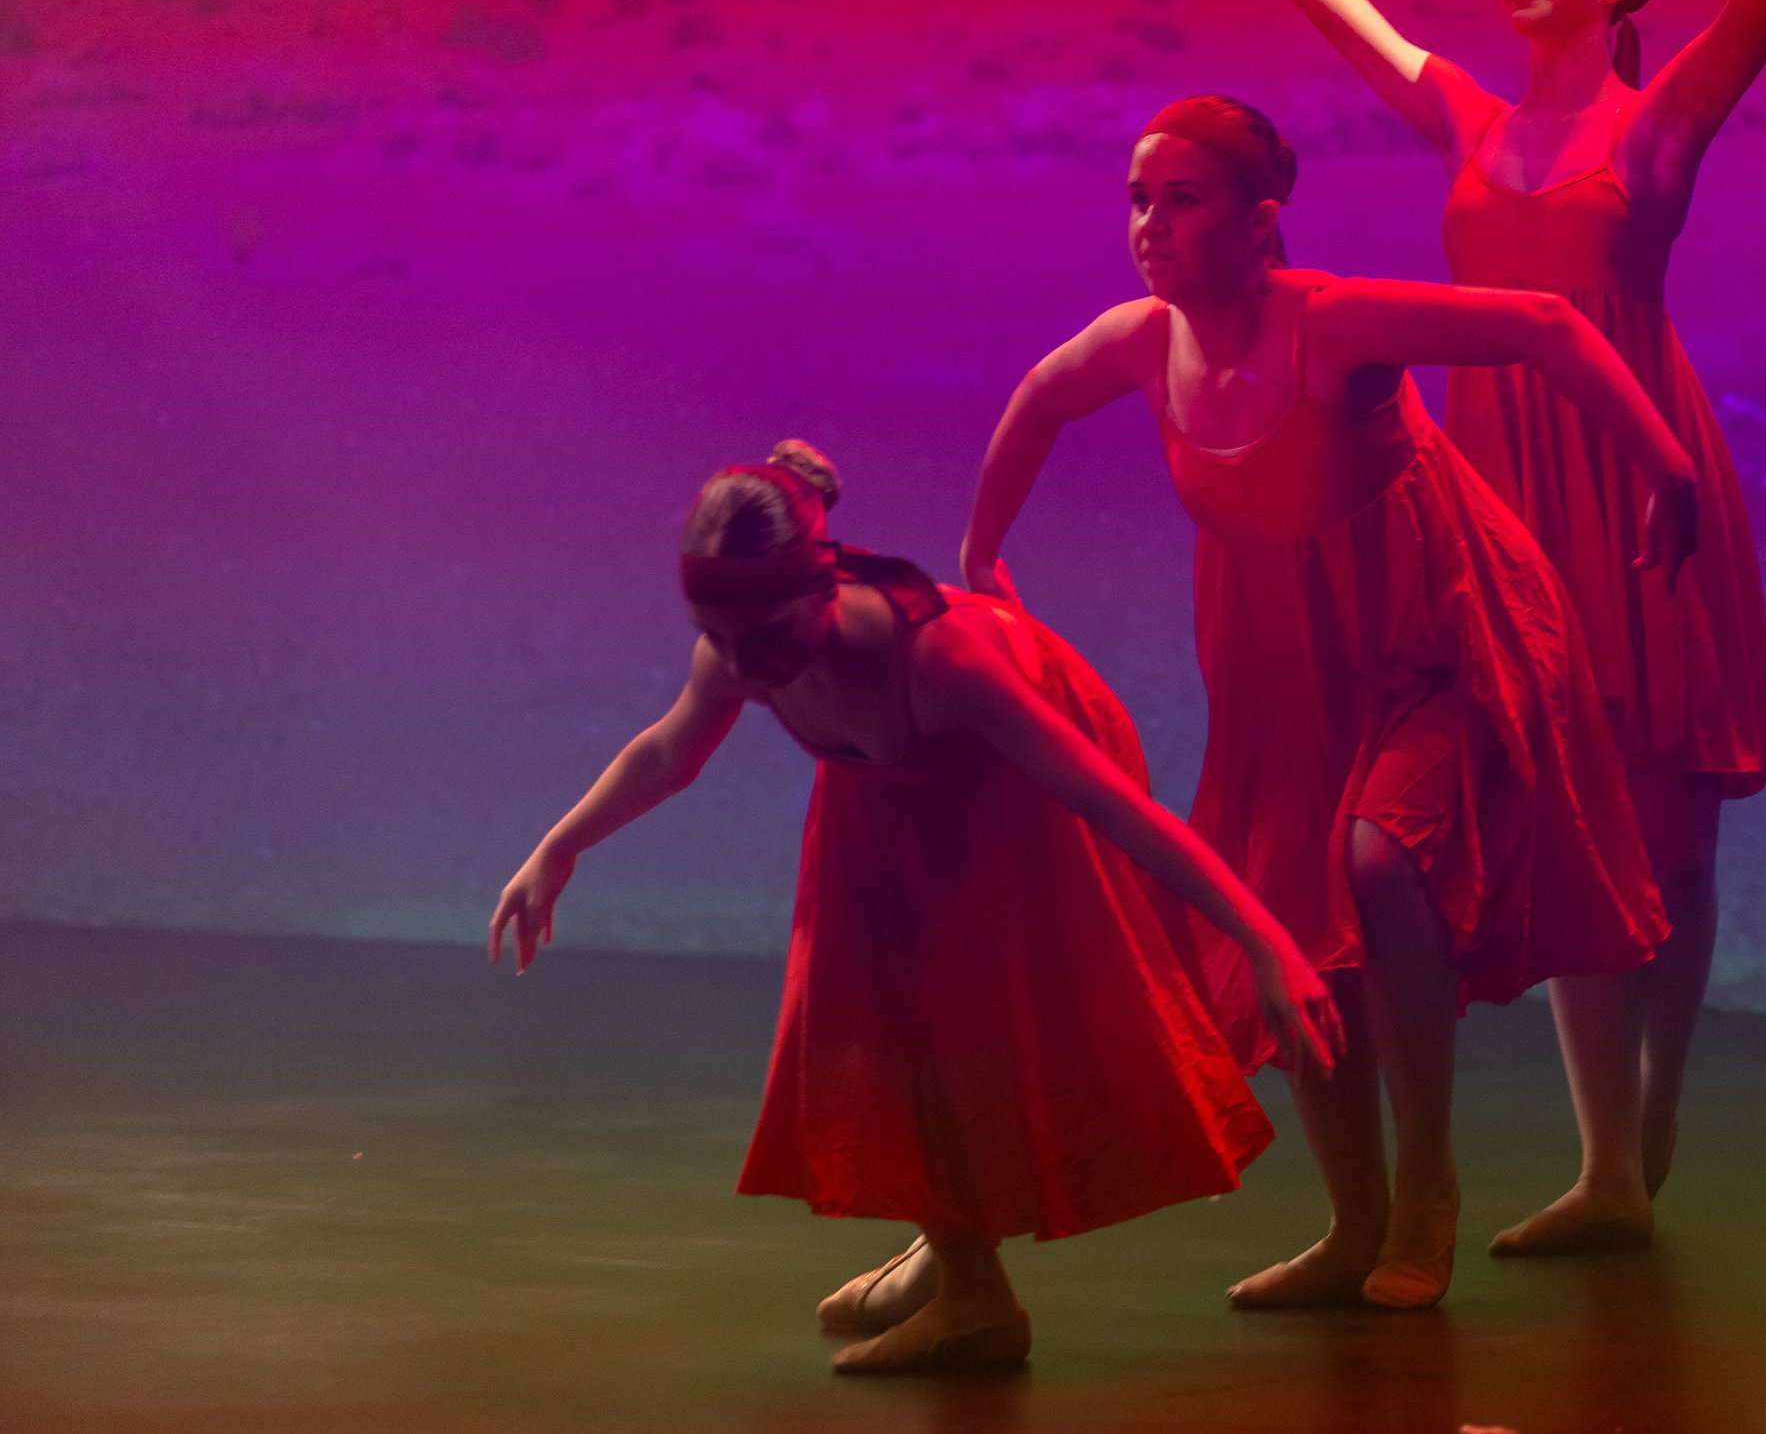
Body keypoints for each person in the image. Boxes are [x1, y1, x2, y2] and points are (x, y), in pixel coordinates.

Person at [1064, 0, 1766, 1254]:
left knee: (1673, 830)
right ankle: (1607, 1162)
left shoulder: (1664, 121)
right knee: (1572, 815)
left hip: (1636, 461)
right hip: (1492, 484)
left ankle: (1651, 1119)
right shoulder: (1465, 118)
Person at [960, 95, 1697, 1310]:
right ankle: (1353, 1223)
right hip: (1281, 678)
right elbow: (1038, 398)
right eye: (1138, 199)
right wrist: (984, 556)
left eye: (1181, 200)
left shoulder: (1335, 322)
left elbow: (1545, 324)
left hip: (1439, 642)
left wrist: (1663, 464)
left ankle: (1425, 1194)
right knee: (1290, 928)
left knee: (1379, 859)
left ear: (1262, 225)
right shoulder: (1144, 341)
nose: (1149, 224)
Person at [488, 441, 1341, 1375]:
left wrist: (1261, 937)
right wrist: (558, 845)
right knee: (870, 1001)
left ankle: (976, 1300)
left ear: (825, 588)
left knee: (959, 1011)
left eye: (766, 638)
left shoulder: (943, 657)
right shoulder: (744, 646)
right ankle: (952, 1253)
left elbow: (1110, 802)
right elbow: (669, 752)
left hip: (1014, 774)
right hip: (883, 788)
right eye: (720, 639)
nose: (744, 668)